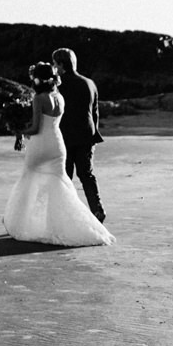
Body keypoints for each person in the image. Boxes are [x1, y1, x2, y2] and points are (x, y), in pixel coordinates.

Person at [3, 62, 115, 247]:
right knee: (59, 184)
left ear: (37, 79)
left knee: (28, 179)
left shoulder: (39, 98)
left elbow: (36, 127)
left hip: (40, 145)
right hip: (57, 145)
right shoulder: (59, 97)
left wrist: (20, 132)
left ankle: (19, 224)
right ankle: (71, 226)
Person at [52, 47, 106, 222]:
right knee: (86, 174)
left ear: (61, 64)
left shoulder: (58, 86)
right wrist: (94, 134)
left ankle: (66, 215)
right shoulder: (89, 83)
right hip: (87, 136)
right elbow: (95, 112)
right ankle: (97, 210)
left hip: (66, 136)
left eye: (55, 64)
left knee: (65, 176)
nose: (54, 67)